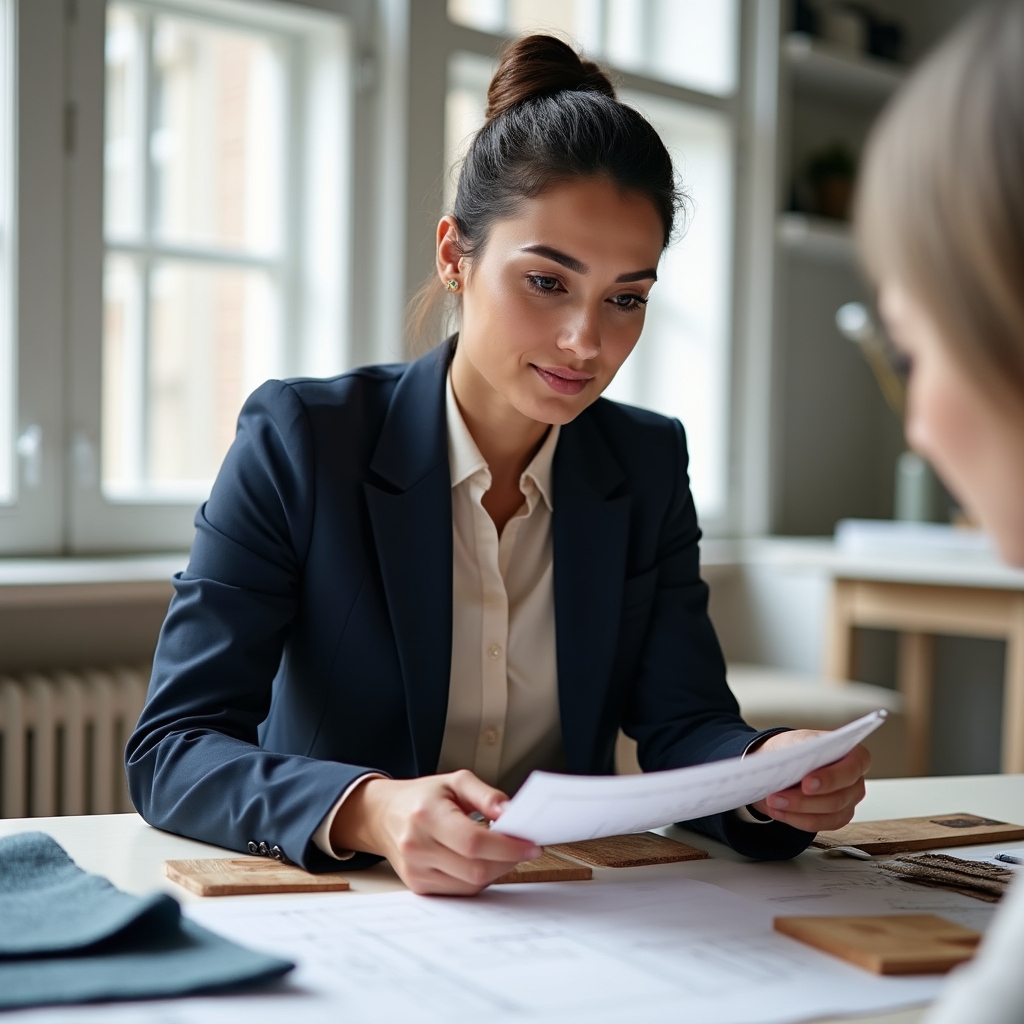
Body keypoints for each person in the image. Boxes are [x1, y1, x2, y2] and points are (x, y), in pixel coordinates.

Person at [126, 34, 870, 897]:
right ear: (454, 256)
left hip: (564, 910)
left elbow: (684, 722)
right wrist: (371, 808)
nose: (586, 341)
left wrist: (762, 773)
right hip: (353, 904)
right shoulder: (300, 440)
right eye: (548, 282)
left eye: (626, 298)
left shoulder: (647, 460)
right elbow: (172, 746)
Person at [854, 2, 1024, 1021]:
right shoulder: (307, 432)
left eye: (912, 354)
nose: (916, 428)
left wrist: (747, 763)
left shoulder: (643, 457)